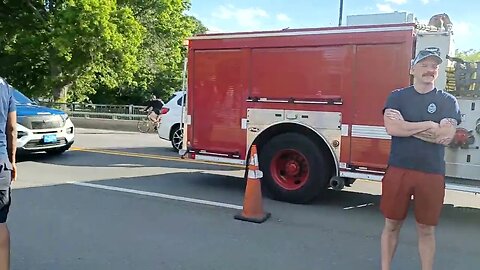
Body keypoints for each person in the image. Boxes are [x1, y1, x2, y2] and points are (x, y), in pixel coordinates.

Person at [380, 47, 461, 270]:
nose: (429, 70)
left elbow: (445, 135)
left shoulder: (447, 101)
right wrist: (427, 125)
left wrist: (406, 127)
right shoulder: (397, 96)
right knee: (392, 225)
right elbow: (391, 126)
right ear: (412, 69)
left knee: (426, 229)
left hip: (432, 173)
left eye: (434, 66)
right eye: (424, 65)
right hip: (399, 170)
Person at [0, 77, 17, 270]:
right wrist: (12, 161)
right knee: (0, 222)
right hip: (2, 163)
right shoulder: (6, 87)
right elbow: (12, 129)